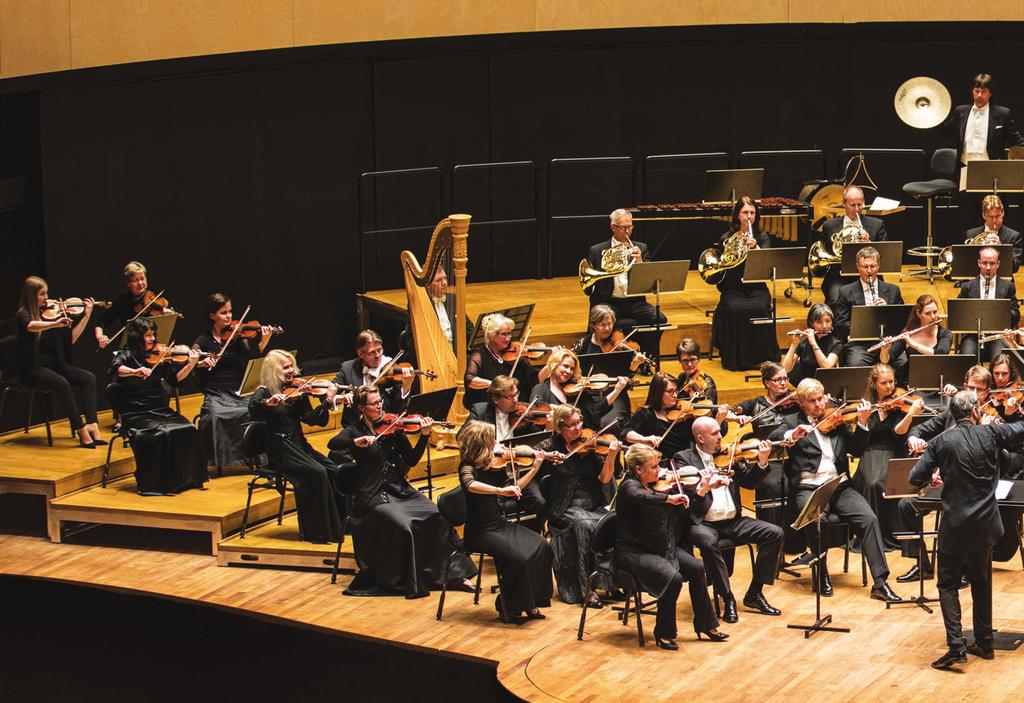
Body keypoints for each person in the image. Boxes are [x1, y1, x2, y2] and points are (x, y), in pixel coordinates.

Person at [908, 390, 1024, 669]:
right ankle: (985, 644)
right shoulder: (991, 434)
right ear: (974, 411)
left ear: (953, 413)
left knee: (947, 585)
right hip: (985, 525)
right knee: (982, 583)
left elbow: (915, 478)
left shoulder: (941, 442)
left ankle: (956, 646)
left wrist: (936, 475)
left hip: (955, 525)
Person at [328, 385, 475, 597]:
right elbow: (334, 443)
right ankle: (407, 579)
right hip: (371, 494)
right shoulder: (355, 431)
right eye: (374, 403)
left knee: (437, 515)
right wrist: (356, 443)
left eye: (380, 401)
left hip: (399, 488)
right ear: (362, 407)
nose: (380, 406)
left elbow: (412, 459)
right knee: (404, 526)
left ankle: (452, 575)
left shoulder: (393, 428)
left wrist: (424, 435)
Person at [768, 378, 901, 602]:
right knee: (815, 519)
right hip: (808, 488)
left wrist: (862, 424)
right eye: (812, 401)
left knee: (868, 518)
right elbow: (773, 438)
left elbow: (856, 450)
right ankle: (821, 575)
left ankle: (880, 582)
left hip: (839, 485)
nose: (818, 404)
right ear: (801, 402)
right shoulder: (791, 421)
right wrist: (791, 436)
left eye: (821, 399)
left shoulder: (837, 421)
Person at [615, 444, 727, 648]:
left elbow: (688, 511)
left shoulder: (661, 484)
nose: (660, 471)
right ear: (638, 469)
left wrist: (703, 488)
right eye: (654, 467)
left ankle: (706, 624)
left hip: (661, 545)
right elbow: (640, 496)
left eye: (659, 466)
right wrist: (668, 498)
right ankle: (664, 632)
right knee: (673, 578)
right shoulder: (629, 486)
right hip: (634, 552)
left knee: (696, 568)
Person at [673, 417, 784, 623]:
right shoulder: (684, 459)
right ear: (700, 438)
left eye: (720, 432)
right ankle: (727, 597)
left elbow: (749, 484)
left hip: (733, 521)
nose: (720, 437)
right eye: (715, 433)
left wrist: (761, 461)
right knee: (707, 542)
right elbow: (688, 495)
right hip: (702, 523)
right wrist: (704, 485)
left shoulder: (730, 455)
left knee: (774, 533)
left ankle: (755, 593)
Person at [458, 420, 552, 621]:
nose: (496, 443)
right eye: (492, 439)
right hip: (480, 531)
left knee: (542, 546)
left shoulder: (495, 465)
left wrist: (535, 468)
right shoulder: (467, 466)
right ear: (481, 442)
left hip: (498, 524)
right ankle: (508, 606)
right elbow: (471, 485)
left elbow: (515, 488)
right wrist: (500, 490)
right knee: (518, 558)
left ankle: (532, 603)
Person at [249, 349, 342, 543]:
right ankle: (317, 532)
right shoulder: (263, 393)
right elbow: (254, 411)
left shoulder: (297, 390)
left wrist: (326, 402)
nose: (292, 370)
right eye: (286, 367)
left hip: (300, 445)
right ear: (273, 370)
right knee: (316, 473)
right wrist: (269, 404)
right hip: (280, 449)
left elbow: (312, 420)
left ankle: (339, 525)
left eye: (292, 365)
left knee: (334, 470)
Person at [110, 318, 206, 495]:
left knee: (189, 428)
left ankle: (186, 480)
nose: (153, 339)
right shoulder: (126, 354)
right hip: (135, 411)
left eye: (153, 334)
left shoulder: (161, 357)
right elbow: (116, 369)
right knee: (161, 433)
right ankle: (160, 484)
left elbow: (175, 380)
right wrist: (135, 371)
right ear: (137, 337)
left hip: (158, 409)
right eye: (148, 335)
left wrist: (191, 364)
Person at [537, 404, 618, 607]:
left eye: (579, 422)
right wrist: (546, 458)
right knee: (585, 526)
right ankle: (586, 590)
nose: (578, 428)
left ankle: (610, 583)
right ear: (559, 427)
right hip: (565, 506)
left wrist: (611, 457)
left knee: (612, 522)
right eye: (571, 425)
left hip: (593, 503)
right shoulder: (550, 445)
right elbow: (532, 455)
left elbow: (604, 478)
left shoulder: (591, 446)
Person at [14, 276, 103, 447]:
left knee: (89, 378)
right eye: (42, 294)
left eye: (47, 293)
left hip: (56, 365)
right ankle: (81, 429)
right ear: (31, 295)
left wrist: (86, 316)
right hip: (33, 368)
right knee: (62, 383)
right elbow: (30, 326)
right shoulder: (23, 314)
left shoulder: (52, 313)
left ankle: (92, 423)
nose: (47, 298)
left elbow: (71, 339)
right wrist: (54, 324)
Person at [191, 293, 274, 471]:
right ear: (212, 316)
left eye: (230, 311)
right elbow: (192, 358)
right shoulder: (203, 340)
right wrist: (200, 362)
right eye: (223, 313)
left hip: (238, 391)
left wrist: (263, 343)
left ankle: (255, 458)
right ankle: (222, 460)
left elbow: (252, 360)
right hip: (215, 393)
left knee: (256, 410)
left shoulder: (239, 337)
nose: (229, 316)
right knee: (215, 417)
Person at [853, 364, 926, 552]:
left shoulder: (899, 404)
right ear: (874, 384)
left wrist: (910, 414)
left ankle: (893, 536)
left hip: (895, 451)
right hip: (871, 452)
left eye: (891, 382)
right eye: (884, 383)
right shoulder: (866, 405)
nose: (889, 387)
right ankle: (873, 537)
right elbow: (860, 440)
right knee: (872, 482)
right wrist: (862, 419)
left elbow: (897, 432)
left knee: (885, 482)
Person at [944, 74, 1024, 231]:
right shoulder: (961, 112)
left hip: (991, 172)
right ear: (972, 91)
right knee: (967, 218)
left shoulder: (1002, 114)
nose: (979, 95)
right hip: (965, 170)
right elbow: (945, 132)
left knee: (992, 218)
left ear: (990, 93)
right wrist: (931, 117)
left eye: (984, 92)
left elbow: (1017, 141)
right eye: (976, 91)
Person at [584, 209, 667, 357]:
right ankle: (604, 358)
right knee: (603, 319)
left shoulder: (641, 248)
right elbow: (588, 289)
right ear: (613, 227)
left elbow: (648, 282)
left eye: (630, 226)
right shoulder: (597, 251)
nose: (628, 231)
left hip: (634, 301)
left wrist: (640, 262)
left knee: (660, 319)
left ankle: (646, 357)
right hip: (608, 301)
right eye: (623, 227)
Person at [466, 375, 548, 523]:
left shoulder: (522, 415)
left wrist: (548, 427)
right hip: (490, 472)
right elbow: (465, 437)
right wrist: (493, 448)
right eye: (509, 397)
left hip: (518, 471)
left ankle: (534, 533)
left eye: (516, 394)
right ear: (496, 399)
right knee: (495, 507)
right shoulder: (480, 410)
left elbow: (536, 438)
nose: (515, 399)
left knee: (540, 502)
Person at [735, 362, 801, 541]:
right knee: (774, 486)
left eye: (785, 378)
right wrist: (738, 415)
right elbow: (732, 411)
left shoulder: (795, 401)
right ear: (767, 383)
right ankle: (769, 537)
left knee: (799, 482)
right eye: (778, 379)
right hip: (769, 457)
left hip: (794, 454)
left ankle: (793, 542)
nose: (783, 383)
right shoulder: (756, 404)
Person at [711, 196, 777, 371]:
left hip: (756, 287)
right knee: (735, 309)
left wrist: (755, 248)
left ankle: (762, 358)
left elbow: (766, 265)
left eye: (752, 212)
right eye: (745, 212)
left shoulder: (762, 237)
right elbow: (720, 269)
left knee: (761, 308)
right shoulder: (726, 237)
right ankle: (737, 360)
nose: (749, 216)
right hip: (733, 288)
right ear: (737, 215)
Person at [622, 372, 729, 460]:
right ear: (658, 392)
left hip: (686, 462)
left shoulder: (684, 412)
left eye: (676, 391)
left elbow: (705, 438)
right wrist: (644, 439)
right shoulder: (645, 413)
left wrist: (719, 420)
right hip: (659, 464)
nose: (675, 395)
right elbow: (626, 432)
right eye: (670, 391)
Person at [832, 246, 905, 368]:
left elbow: (903, 321)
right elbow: (839, 324)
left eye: (873, 266)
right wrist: (864, 323)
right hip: (860, 345)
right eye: (865, 267)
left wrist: (888, 309)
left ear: (879, 265)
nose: (869, 271)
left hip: (889, 342)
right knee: (856, 364)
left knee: (902, 364)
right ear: (858, 267)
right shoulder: (846, 291)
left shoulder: (893, 290)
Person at [817, 185, 889, 306]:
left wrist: (869, 244)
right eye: (852, 205)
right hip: (839, 276)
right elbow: (825, 252)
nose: (857, 209)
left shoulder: (877, 225)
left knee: (881, 301)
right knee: (835, 301)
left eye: (859, 204)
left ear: (864, 202)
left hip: (869, 274)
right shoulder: (829, 226)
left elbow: (886, 254)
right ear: (844, 203)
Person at [532, 347, 630, 430]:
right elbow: (534, 408)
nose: (568, 371)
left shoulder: (576, 389)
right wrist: (559, 409)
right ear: (554, 365)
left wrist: (617, 390)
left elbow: (595, 410)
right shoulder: (541, 388)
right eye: (565, 366)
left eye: (572, 368)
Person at [333, 329, 412, 424]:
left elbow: (398, 408)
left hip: (385, 426)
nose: (378, 356)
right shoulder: (348, 368)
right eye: (372, 352)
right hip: (355, 427)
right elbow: (329, 393)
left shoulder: (391, 369)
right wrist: (340, 398)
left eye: (379, 350)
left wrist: (406, 387)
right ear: (360, 354)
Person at [957, 245, 1020, 363]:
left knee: (1000, 360)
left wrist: (996, 311)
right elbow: (958, 313)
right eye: (984, 263)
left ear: (998, 264)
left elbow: (1016, 314)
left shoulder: (1008, 287)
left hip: (998, 335)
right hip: (973, 336)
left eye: (992, 263)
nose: (988, 267)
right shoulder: (967, 286)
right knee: (966, 358)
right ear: (979, 263)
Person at [95, 261, 178, 349]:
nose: (140, 283)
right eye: (135, 280)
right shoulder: (123, 300)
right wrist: (100, 337)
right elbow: (102, 321)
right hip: (130, 349)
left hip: (152, 348)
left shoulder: (154, 300)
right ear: (128, 283)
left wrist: (166, 316)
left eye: (142, 278)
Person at [463, 313, 536, 410]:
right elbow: (470, 380)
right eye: (503, 334)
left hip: (518, 408)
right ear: (491, 335)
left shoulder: (516, 353)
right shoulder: (479, 356)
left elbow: (534, 378)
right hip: (491, 410)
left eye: (509, 334)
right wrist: (495, 384)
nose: (508, 338)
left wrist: (550, 366)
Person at [879, 294, 952, 385]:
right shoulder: (908, 334)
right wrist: (884, 349)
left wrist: (914, 345)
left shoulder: (945, 334)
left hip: (936, 380)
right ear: (918, 314)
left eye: (935, 312)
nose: (933, 317)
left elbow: (942, 354)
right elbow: (887, 361)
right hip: (910, 381)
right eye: (928, 313)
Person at [782, 303, 842, 386]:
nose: (824, 326)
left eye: (828, 321)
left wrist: (814, 344)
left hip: (827, 384)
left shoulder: (836, 343)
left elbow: (826, 367)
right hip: (806, 384)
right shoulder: (804, 341)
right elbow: (785, 369)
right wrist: (794, 344)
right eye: (819, 322)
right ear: (811, 323)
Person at [965, 194, 1022, 273]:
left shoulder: (1014, 236)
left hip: (1003, 282)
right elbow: (967, 264)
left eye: (997, 216)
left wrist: (1001, 249)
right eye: (990, 217)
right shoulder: (971, 234)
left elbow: (1015, 268)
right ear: (984, 215)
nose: (994, 220)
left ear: (1003, 213)